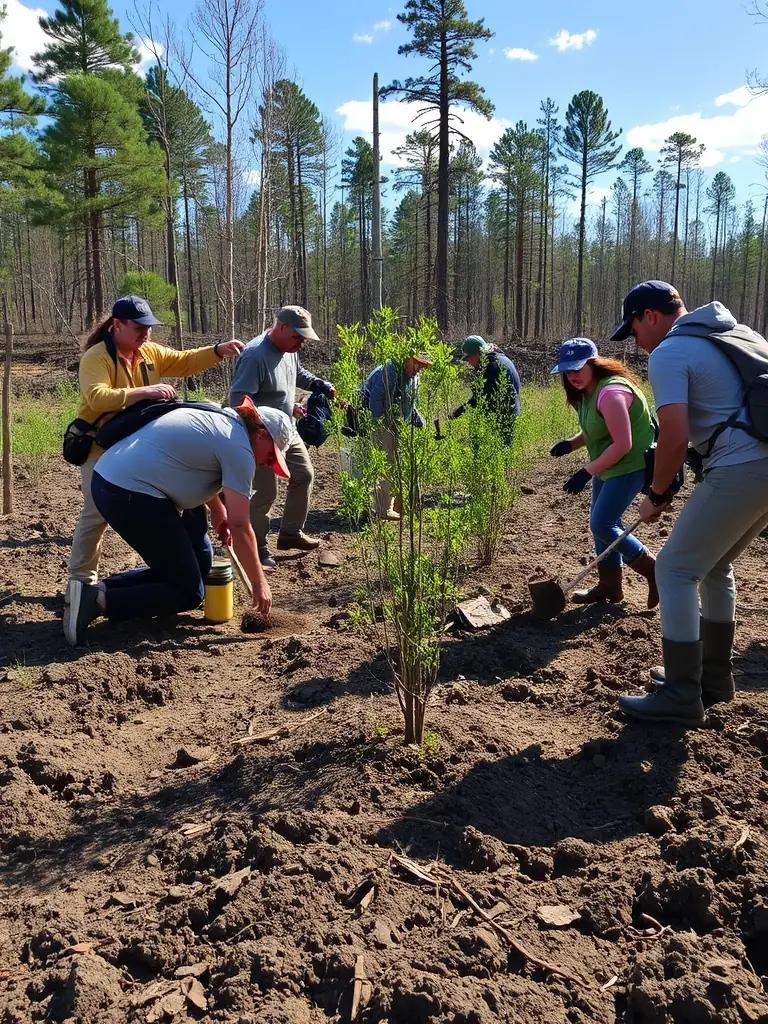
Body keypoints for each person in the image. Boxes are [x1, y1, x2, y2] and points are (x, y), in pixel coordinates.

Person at [608, 281, 768, 726]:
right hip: (760, 467)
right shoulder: (742, 334)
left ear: (651, 316)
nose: (636, 343)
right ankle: (712, 678)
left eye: (634, 329)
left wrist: (656, 494)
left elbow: (674, 436)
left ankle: (681, 693)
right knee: (715, 566)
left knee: (675, 568)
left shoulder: (670, 353)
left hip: (742, 467)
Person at [64, 395, 291, 646]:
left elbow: (192, 462)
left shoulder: (225, 420)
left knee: (200, 563)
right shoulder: (240, 448)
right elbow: (240, 525)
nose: (268, 464)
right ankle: (98, 602)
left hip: (115, 480)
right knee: (188, 591)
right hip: (128, 493)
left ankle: (98, 589)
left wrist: (217, 508)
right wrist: (260, 584)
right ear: (260, 434)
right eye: (271, 456)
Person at [67, 295, 243, 599]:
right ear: (117, 325)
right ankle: (80, 581)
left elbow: (184, 361)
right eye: (139, 327)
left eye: (148, 327)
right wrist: (145, 390)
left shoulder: (148, 352)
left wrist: (217, 351)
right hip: (98, 446)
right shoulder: (96, 357)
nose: (146, 333)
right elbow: (97, 397)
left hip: (136, 446)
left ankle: (178, 570)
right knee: (97, 512)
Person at [549, 337, 657, 608]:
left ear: (593, 364)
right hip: (609, 465)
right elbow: (599, 428)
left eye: (577, 369)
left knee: (603, 523)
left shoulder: (611, 393)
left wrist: (585, 472)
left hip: (630, 465)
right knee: (601, 526)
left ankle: (654, 571)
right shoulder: (588, 391)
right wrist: (572, 444)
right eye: (567, 370)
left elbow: (623, 444)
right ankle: (610, 587)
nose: (572, 376)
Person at [228, 305, 336, 569]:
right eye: (298, 337)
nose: (301, 343)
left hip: (287, 428)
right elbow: (238, 401)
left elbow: (297, 374)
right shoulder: (255, 356)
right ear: (281, 327)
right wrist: (260, 435)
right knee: (265, 491)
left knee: (304, 474)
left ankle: (290, 533)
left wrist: (316, 384)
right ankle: (256, 546)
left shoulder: (289, 350)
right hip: (259, 436)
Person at [364, 351, 432, 520]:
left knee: (396, 464)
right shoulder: (388, 371)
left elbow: (407, 402)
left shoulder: (413, 377)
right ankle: (381, 509)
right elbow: (375, 400)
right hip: (382, 425)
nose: (418, 369)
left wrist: (416, 417)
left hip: (398, 425)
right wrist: (385, 426)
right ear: (407, 358)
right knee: (387, 464)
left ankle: (395, 507)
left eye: (422, 366)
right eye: (417, 364)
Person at [451, 335, 521, 444]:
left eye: (469, 358)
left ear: (477, 353)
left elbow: (480, 399)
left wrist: (458, 413)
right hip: (508, 412)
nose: (468, 362)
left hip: (503, 415)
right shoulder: (500, 358)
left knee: (498, 450)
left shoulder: (491, 367)